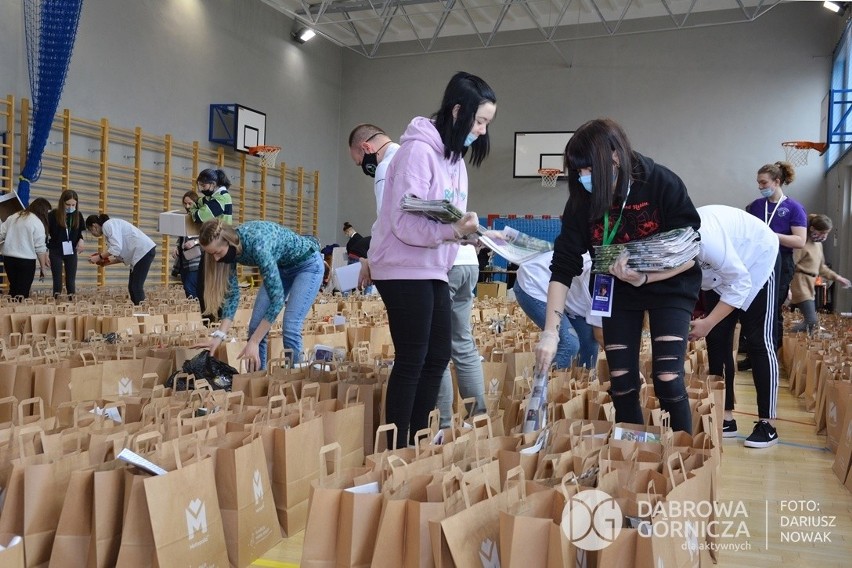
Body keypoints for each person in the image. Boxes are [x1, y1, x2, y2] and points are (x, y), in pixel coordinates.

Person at [535, 118, 701, 433]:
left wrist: (645, 278)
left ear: (614, 158)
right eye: (578, 172)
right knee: (622, 384)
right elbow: (563, 265)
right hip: (616, 290)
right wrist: (550, 333)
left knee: (667, 377)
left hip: (670, 286)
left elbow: (691, 250)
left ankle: (683, 456)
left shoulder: (661, 183)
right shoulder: (582, 201)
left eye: (588, 169)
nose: (583, 178)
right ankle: (634, 457)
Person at [368, 71, 496, 447]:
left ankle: (420, 438)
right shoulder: (417, 151)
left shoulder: (454, 159)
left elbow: (449, 218)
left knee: (439, 354)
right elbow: (404, 223)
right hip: (401, 267)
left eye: (488, 123)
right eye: (480, 121)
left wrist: (472, 231)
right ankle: (397, 446)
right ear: (458, 111)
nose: (483, 131)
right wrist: (453, 232)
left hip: (435, 266)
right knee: (413, 358)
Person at [688, 205, 781, 448]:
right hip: (722, 274)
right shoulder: (671, 245)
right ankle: (725, 415)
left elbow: (740, 283)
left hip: (757, 259)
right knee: (717, 341)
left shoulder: (706, 239)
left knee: (759, 341)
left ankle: (767, 424)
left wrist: (708, 321)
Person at [196, 219, 323, 371]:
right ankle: (258, 381)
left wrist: (254, 342)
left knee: (290, 327)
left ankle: (295, 378)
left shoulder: (258, 245)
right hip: (280, 268)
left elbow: (277, 301)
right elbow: (232, 295)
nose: (216, 259)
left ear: (229, 242)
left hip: (307, 264)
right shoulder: (230, 251)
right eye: (211, 255)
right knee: (255, 328)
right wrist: (219, 335)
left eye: (217, 253)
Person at [745, 161, 806, 353]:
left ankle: (771, 350)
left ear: (777, 181)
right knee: (754, 307)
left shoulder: (794, 208)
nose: (760, 187)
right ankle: (754, 351)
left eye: (764, 183)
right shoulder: (756, 206)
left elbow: (800, 240)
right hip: (756, 261)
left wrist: (772, 235)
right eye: (758, 183)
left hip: (781, 262)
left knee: (772, 308)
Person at [515, 251, 601, 369]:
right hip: (533, 283)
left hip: (565, 294)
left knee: (589, 342)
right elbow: (600, 334)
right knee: (569, 343)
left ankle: (584, 382)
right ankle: (543, 385)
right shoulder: (602, 285)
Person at [347, 124, 400, 288]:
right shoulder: (408, 155)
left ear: (366, 147)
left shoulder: (385, 168)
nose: (363, 167)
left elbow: (386, 219)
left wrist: (370, 260)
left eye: (360, 162)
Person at [790, 213, 851, 334]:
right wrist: (788, 288)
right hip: (800, 284)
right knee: (811, 321)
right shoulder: (802, 244)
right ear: (812, 229)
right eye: (822, 232)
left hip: (810, 285)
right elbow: (791, 265)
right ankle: (787, 337)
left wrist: (838, 278)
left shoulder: (818, 245)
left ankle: (798, 347)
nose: (824, 236)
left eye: (827, 233)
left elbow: (821, 268)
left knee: (810, 325)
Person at [189, 168, 234, 315]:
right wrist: (194, 209)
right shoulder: (210, 198)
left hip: (222, 246)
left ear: (213, 184)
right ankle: (209, 321)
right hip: (211, 246)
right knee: (202, 285)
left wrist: (194, 212)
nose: (202, 189)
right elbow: (196, 204)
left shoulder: (222, 197)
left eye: (204, 185)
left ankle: (220, 321)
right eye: (200, 186)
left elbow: (199, 216)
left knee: (220, 287)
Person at [85, 214, 156, 305]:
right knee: (132, 287)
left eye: (91, 230)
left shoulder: (107, 225)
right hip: (140, 253)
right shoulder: (110, 227)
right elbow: (121, 255)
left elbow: (116, 248)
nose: (93, 234)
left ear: (94, 226)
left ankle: (141, 314)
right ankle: (137, 311)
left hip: (144, 251)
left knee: (136, 287)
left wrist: (99, 257)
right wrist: (106, 263)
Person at [0, 197, 52, 298]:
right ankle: (18, 311)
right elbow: (40, 249)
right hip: (26, 261)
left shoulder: (14, 216)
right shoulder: (37, 222)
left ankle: (11, 310)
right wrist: (43, 268)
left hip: (9, 259)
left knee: (14, 289)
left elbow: (1, 233)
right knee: (23, 293)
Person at [46, 190, 85, 299]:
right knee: (57, 279)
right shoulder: (53, 215)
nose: (70, 207)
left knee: (71, 280)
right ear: (62, 203)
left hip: (71, 250)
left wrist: (81, 240)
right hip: (56, 250)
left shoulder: (78, 215)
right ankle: (56, 301)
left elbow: (79, 233)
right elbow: (46, 234)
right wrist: (45, 251)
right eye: (68, 204)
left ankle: (71, 300)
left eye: (73, 205)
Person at [172, 191, 203, 299]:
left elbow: (209, 236)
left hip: (196, 258)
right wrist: (176, 246)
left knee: (190, 286)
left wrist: (195, 242)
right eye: (185, 204)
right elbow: (181, 236)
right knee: (187, 286)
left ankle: (196, 311)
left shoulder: (202, 217)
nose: (187, 206)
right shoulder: (186, 217)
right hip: (184, 259)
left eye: (190, 203)